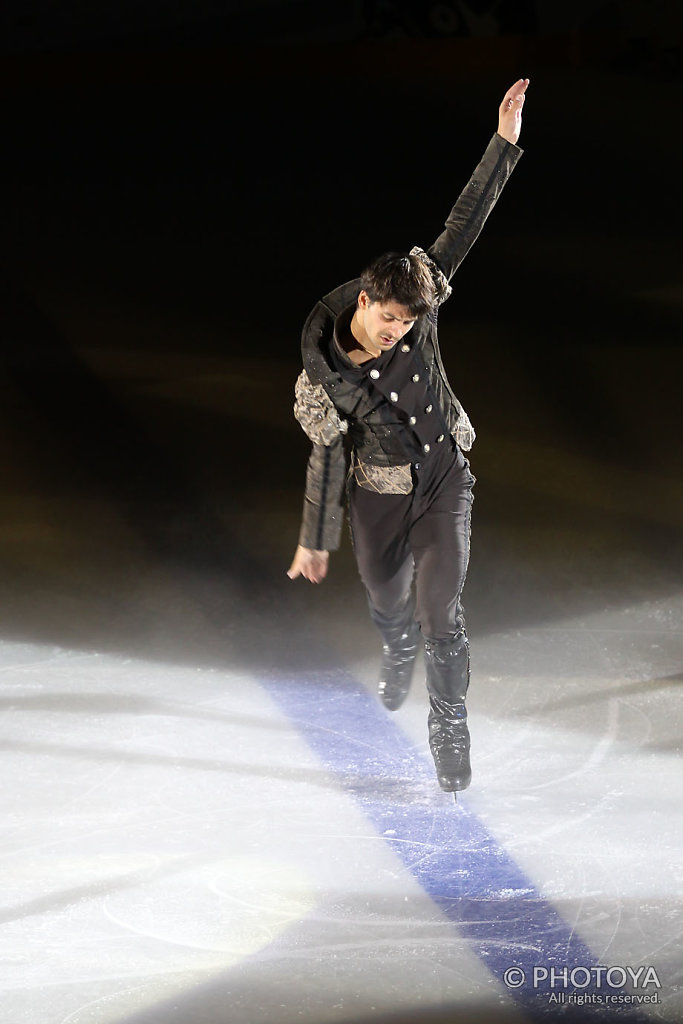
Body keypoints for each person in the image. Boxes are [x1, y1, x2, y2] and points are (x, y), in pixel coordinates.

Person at [287, 78, 529, 796]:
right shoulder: (323, 369)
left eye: (407, 323)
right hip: (379, 497)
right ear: (364, 303)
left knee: (440, 611)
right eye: (389, 321)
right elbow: (326, 449)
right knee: (389, 601)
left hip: (444, 479)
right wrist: (311, 537)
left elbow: (460, 229)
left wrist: (503, 143)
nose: (398, 332)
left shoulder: (416, 295)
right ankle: (393, 644)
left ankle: (448, 723)